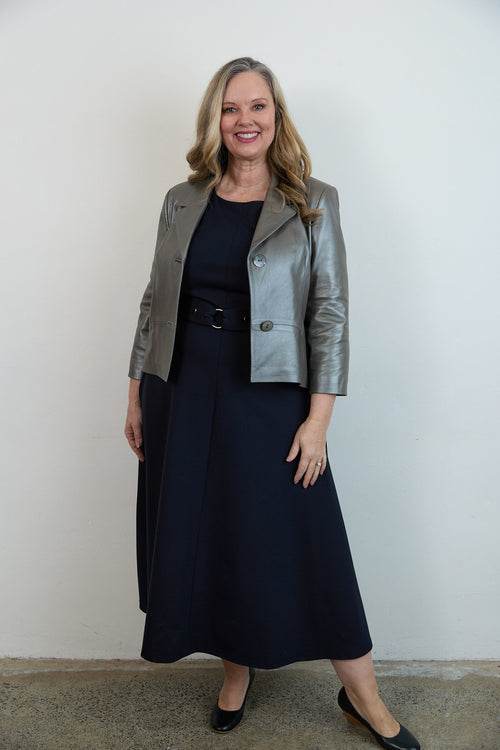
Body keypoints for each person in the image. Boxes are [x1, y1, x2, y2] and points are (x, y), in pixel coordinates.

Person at [125, 57, 420, 750]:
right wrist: (136, 392)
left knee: (310, 542)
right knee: (217, 533)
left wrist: (318, 420)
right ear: (215, 120)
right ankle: (237, 674)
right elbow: (153, 300)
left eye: (257, 106)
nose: (244, 120)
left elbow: (330, 314)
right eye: (230, 109)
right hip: (182, 389)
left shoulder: (312, 200)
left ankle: (364, 697)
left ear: (276, 116)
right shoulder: (181, 199)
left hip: (270, 395)